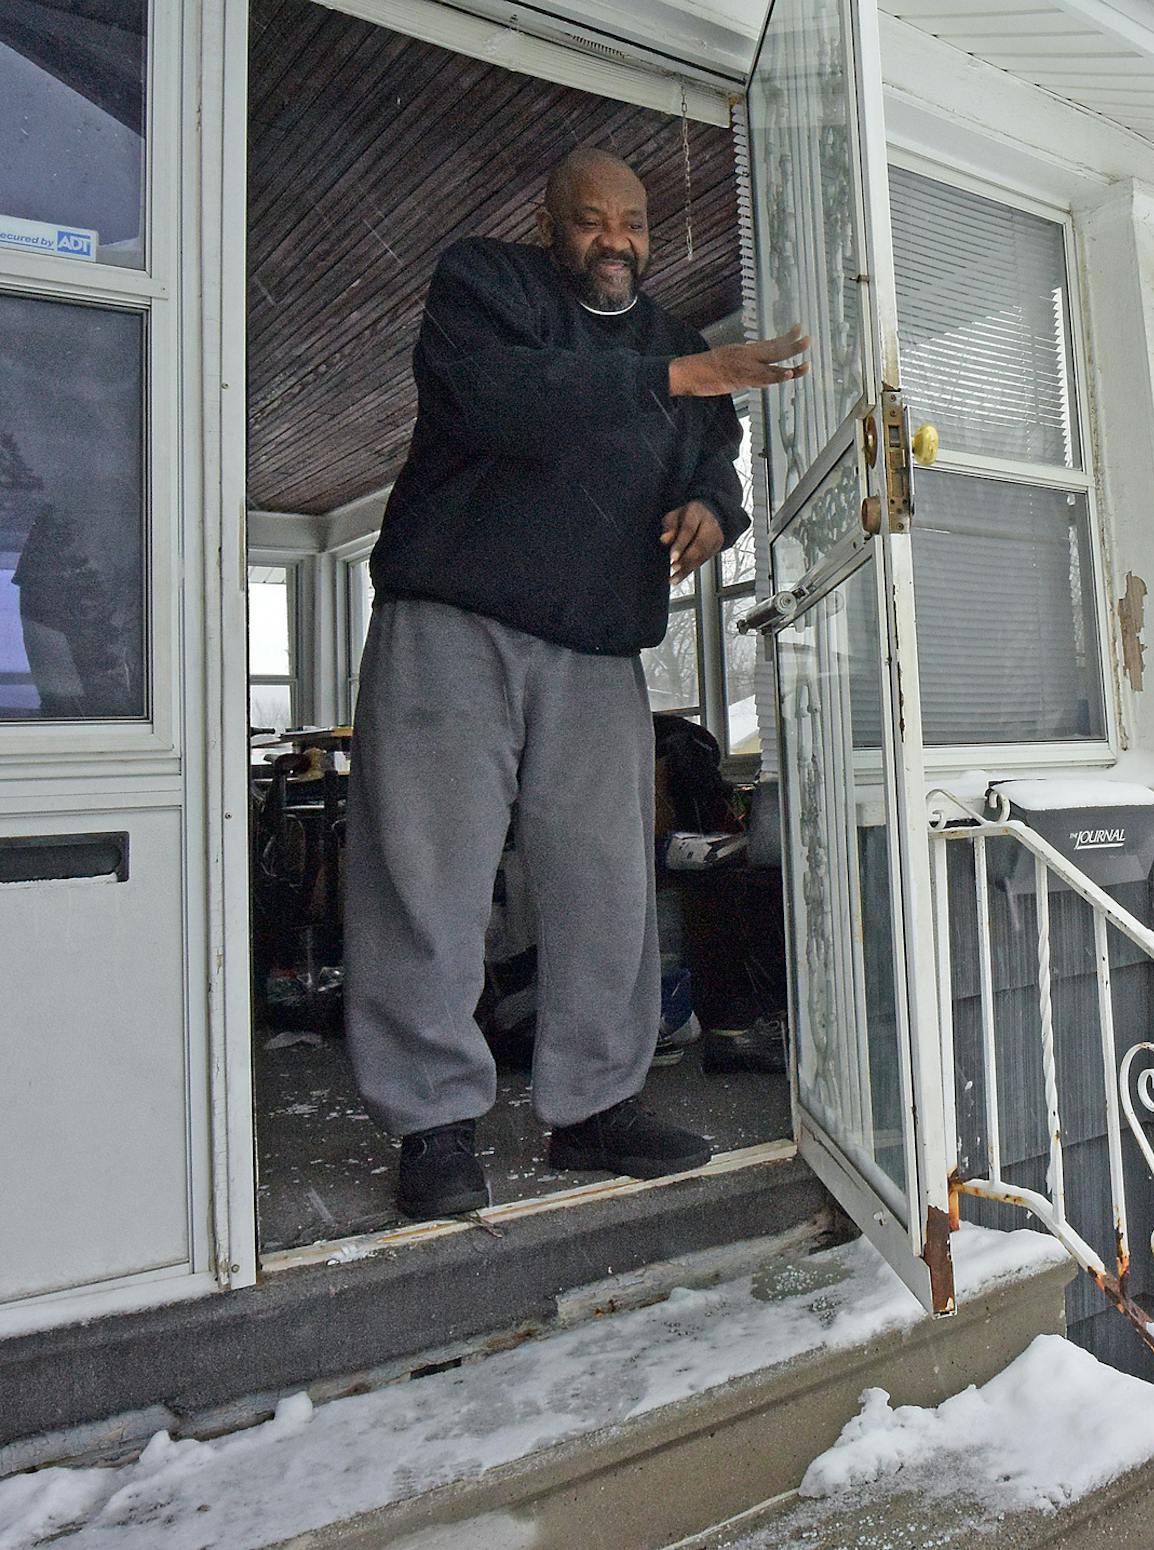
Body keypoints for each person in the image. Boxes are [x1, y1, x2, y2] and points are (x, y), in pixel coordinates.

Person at [345, 147, 811, 1219]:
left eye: (635, 223)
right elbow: (494, 402)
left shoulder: (673, 345)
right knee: (428, 876)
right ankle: (431, 1122)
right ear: (552, 225)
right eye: (594, 221)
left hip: (599, 641)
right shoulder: (486, 288)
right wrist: (673, 378)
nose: (618, 241)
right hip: (451, 615)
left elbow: (714, 451)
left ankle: (596, 1107)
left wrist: (712, 507)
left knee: (608, 886)